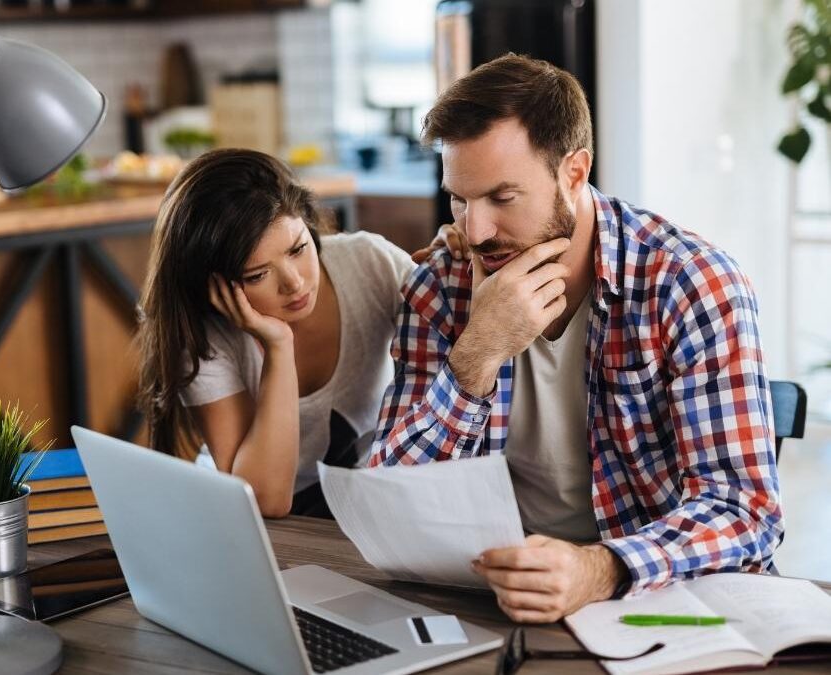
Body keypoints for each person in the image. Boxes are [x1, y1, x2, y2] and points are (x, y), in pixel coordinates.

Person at [371, 54, 782, 623]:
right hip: (494, 599)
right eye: (460, 200)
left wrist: (598, 568)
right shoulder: (440, 287)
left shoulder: (691, 285)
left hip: (657, 598)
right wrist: (477, 354)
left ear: (574, 171)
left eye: (501, 198)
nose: (476, 230)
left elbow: (743, 511)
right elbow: (387, 504)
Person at [138, 148, 464, 518]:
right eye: (257, 275)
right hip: (257, 523)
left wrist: (453, 265)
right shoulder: (205, 338)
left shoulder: (369, 264)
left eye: (297, 249)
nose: (293, 283)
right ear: (214, 285)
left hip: (361, 505)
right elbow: (264, 501)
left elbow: (459, 342)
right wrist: (278, 346)